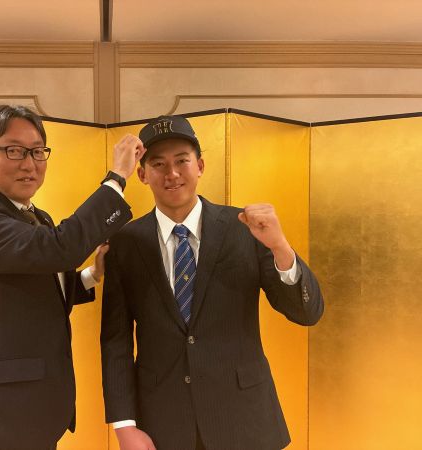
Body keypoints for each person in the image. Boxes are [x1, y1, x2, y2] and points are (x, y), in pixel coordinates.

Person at [100, 115, 324, 450]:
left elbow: (307, 312)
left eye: (182, 161)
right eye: (158, 164)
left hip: (244, 419)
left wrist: (280, 247)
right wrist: (123, 425)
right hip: (163, 421)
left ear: (200, 166)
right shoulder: (126, 241)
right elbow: (115, 340)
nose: (172, 173)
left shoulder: (245, 228)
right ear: (142, 174)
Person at [0, 104, 145, 450]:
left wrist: (92, 274)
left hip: (35, 407)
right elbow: (58, 250)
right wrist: (117, 177)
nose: (29, 164)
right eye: (14, 151)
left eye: (37, 151)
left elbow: (36, 286)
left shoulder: (37, 217)